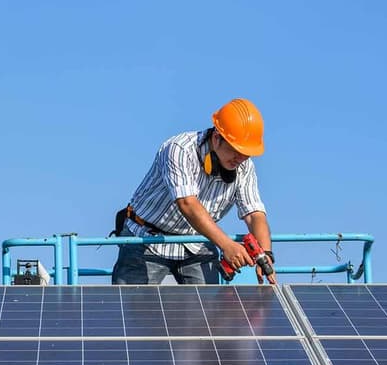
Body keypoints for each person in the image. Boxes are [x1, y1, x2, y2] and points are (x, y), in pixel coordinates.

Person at [112, 98, 277, 285]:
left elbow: (254, 214)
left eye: (246, 153)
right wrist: (227, 245)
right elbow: (187, 204)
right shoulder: (179, 149)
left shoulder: (244, 167)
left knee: (207, 312)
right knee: (131, 310)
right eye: (235, 150)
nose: (240, 158)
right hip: (146, 239)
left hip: (197, 242)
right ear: (216, 138)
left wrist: (265, 253)